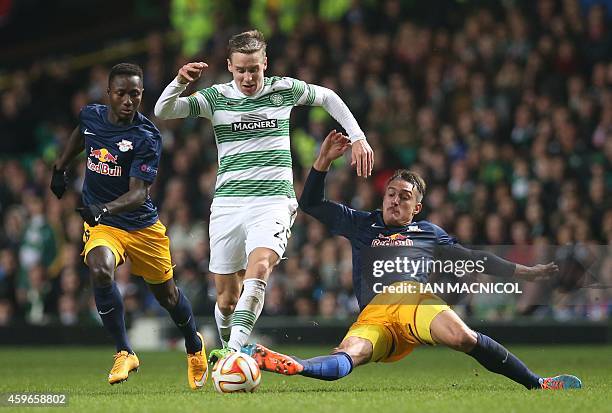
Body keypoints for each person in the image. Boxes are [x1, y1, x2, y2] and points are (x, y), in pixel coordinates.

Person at [243, 131, 582, 390]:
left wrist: (523, 271)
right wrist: (322, 163)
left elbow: (472, 257)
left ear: (416, 208)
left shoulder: (429, 233)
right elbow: (312, 203)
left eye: (404, 197)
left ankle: (538, 383)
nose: (394, 201)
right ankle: (296, 365)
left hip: (413, 301)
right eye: (391, 194)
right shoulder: (363, 223)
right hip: (374, 314)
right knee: (349, 354)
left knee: (464, 338)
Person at [154, 30, 374, 362]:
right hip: (228, 205)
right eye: (241, 69)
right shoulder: (216, 97)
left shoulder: (282, 90)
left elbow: (327, 96)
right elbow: (164, 110)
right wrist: (179, 82)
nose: (247, 77)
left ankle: (233, 355)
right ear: (229, 66)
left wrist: (358, 137)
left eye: (254, 69)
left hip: (273, 201)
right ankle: (229, 345)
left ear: (265, 64)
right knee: (227, 299)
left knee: (259, 268)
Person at [50, 63, 207, 389]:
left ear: (141, 94)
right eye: (121, 93)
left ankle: (194, 345)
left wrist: (102, 208)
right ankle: (124, 350)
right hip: (105, 226)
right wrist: (60, 167)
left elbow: (138, 194)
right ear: (108, 94)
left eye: (134, 94)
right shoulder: (92, 115)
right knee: (100, 269)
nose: (127, 100)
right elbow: (82, 133)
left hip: (141, 226)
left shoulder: (146, 136)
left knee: (167, 296)